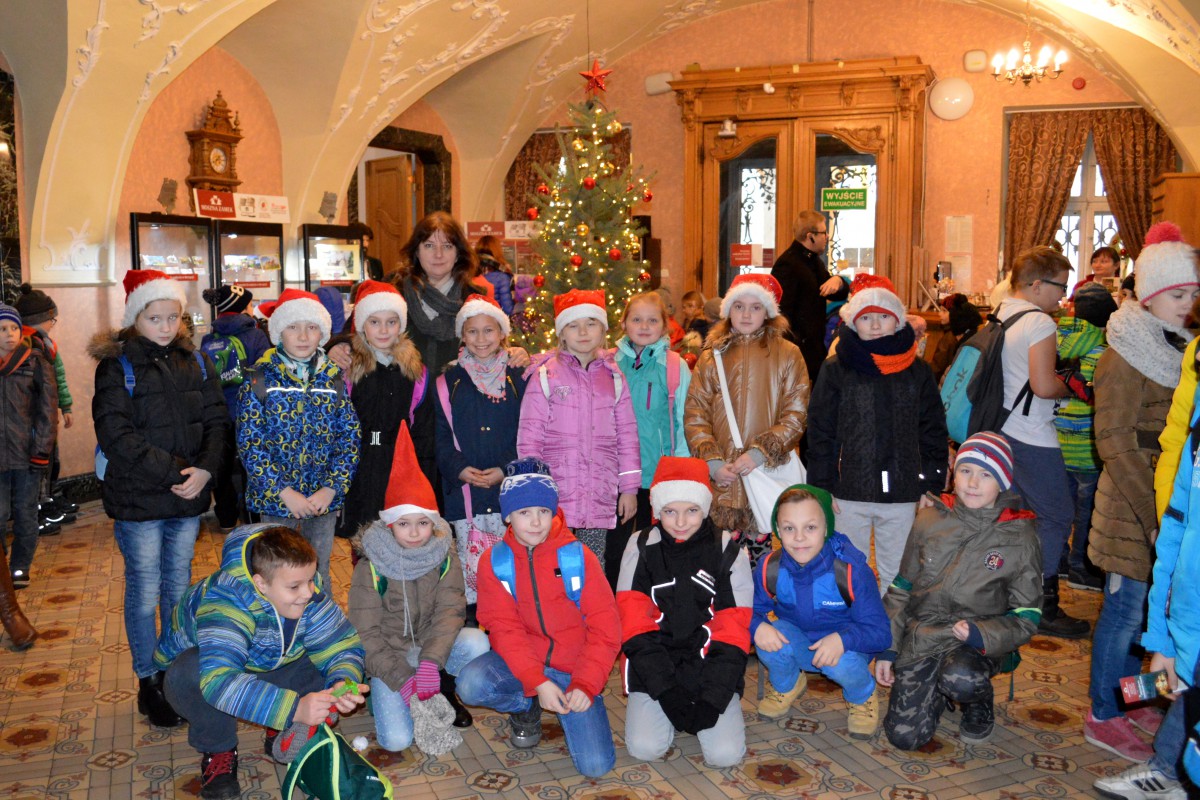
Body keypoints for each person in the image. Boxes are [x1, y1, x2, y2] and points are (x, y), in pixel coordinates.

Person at [89, 270, 228, 729]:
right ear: (136, 318)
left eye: (173, 317)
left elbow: (217, 420)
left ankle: (172, 673)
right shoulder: (117, 366)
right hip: (140, 501)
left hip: (188, 496)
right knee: (145, 590)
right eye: (155, 318)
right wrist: (177, 474)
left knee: (178, 589)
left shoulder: (198, 361)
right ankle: (148, 680)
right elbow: (116, 434)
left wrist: (205, 470)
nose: (166, 327)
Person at [1084, 223, 1198, 763]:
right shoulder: (1124, 353)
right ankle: (1103, 713)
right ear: (1150, 296)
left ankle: (1133, 699)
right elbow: (1115, 443)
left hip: (1167, 506)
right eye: (1178, 295)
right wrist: (1157, 518)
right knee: (1124, 615)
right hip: (1132, 510)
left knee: (1151, 619)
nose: (1188, 305)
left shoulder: (1179, 349)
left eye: (1194, 294)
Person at [155, 525, 367, 800]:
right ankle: (219, 749)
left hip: (269, 664)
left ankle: (276, 725)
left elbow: (340, 644)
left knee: (321, 662)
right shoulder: (225, 601)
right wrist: (293, 709)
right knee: (191, 674)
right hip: (208, 674)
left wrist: (342, 681)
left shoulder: (305, 589)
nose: (308, 593)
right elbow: (220, 681)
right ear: (261, 583)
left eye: (310, 580)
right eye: (295, 586)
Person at [455, 458, 621, 778]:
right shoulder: (495, 561)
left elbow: (606, 627)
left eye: (543, 511)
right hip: (524, 663)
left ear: (554, 511)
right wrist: (537, 682)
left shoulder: (577, 556)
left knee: (596, 766)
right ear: (508, 516)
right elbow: (504, 629)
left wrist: (585, 684)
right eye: (524, 512)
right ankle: (527, 704)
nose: (535, 522)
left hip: (574, 668)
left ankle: (559, 697)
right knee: (471, 683)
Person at [875, 433, 1042, 750]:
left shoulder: (1020, 536)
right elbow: (901, 588)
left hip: (976, 644)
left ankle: (979, 702)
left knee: (961, 677)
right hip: (924, 636)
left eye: (986, 474)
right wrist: (888, 649)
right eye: (966, 470)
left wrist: (981, 634)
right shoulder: (929, 519)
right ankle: (937, 691)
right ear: (954, 473)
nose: (973, 483)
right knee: (905, 737)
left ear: (1003, 481)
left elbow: (1027, 616)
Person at [347, 431, 490, 750]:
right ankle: (391, 691)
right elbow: (365, 634)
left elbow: (450, 613)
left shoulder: (444, 556)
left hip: (429, 648)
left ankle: (439, 687)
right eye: (404, 523)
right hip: (389, 655)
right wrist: (402, 677)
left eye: (423, 523)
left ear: (434, 524)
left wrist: (428, 663)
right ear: (389, 525)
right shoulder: (370, 566)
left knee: (476, 641)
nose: (414, 533)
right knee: (397, 741)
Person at [806, 275, 948, 594]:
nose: (874, 325)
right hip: (847, 489)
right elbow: (820, 430)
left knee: (896, 570)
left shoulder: (917, 371)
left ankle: (891, 623)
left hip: (902, 489)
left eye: (883, 316)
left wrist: (932, 483)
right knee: (847, 568)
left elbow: (933, 431)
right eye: (865, 317)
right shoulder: (836, 369)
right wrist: (822, 485)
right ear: (852, 322)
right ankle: (851, 621)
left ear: (897, 321)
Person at [616, 457, 752, 767]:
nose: (680, 522)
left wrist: (712, 700)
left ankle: (714, 706)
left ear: (704, 508)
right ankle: (662, 708)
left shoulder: (727, 551)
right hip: (656, 666)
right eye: (669, 511)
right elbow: (634, 627)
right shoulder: (639, 546)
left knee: (725, 755)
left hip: (708, 666)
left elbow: (733, 633)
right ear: (657, 510)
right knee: (645, 748)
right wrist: (666, 692)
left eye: (691, 510)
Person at [1102, 386, 1200, 799]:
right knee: (1125, 621)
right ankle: (1111, 716)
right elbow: (1177, 538)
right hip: (1186, 621)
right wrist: (1165, 642)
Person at [236, 288, 360, 591]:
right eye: (293, 327)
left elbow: (349, 437)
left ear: (323, 333)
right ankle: (279, 624)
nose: (303, 336)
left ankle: (319, 622)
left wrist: (332, 487)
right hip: (276, 501)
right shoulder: (259, 379)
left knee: (319, 571)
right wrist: (284, 492)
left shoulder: (333, 378)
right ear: (279, 332)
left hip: (322, 500)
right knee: (277, 573)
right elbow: (251, 444)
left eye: (312, 327)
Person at [684, 273, 810, 565]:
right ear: (728, 310)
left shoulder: (789, 355)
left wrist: (759, 453)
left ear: (768, 312)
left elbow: (795, 413)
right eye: (739, 306)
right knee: (717, 563)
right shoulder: (711, 356)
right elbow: (695, 413)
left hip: (763, 476)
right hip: (722, 481)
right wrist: (712, 461)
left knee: (759, 564)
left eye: (755, 307)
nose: (746, 314)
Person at [517, 288, 640, 580]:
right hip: (555, 495)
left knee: (592, 568)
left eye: (591, 324)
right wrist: (534, 487)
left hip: (600, 493)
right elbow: (530, 436)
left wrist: (629, 488)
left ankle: (590, 608)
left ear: (603, 330)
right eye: (573, 325)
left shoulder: (614, 377)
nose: (583, 332)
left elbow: (627, 435)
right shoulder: (546, 375)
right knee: (553, 567)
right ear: (562, 333)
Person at [993, 246, 1085, 638]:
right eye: (1060, 287)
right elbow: (1043, 385)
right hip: (1031, 433)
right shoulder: (1040, 323)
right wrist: (1074, 386)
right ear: (1035, 285)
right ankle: (1040, 604)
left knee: (1014, 517)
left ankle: (1005, 595)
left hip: (999, 429)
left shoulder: (1000, 313)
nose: (1063, 296)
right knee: (1057, 515)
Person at [752, 484, 890, 737]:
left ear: (827, 528)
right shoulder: (770, 567)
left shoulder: (851, 570)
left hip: (847, 649)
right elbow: (747, 610)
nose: (799, 538)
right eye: (789, 528)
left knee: (841, 664)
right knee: (767, 636)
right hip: (801, 641)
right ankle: (788, 684)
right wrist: (756, 625)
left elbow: (880, 633)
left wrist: (842, 640)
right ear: (778, 531)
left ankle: (862, 696)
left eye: (810, 527)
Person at [434, 295, 526, 613]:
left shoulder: (519, 378)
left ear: (502, 333)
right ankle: (474, 627)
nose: (481, 338)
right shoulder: (448, 383)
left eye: (489, 330)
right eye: (472, 331)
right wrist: (459, 468)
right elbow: (440, 437)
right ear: (462, 335)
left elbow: (528, 432)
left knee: (513, 570)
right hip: (466, 495)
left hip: (509, 492)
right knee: (471, 575)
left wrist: (505, 467)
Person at [337, 280, 434, 539]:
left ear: (401, 325)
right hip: (358, 463)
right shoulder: (347, 368)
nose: (383, 330)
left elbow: (423, 429)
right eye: (374, 322)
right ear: (362, 325)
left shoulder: (416, 371)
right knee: (361, 534)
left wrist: (422, 474)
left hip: (399, 462)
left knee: (398, 534)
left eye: (391, 322)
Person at [1053, 282, 1117, 592]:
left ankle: (1059, 561)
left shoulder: (1056, 338)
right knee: (1086, 510)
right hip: (1088, 445)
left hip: (1056, 436)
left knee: (1060, 507)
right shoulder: (1104, 348)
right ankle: (1080, 566)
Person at [613, 291, 692, 532]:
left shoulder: (674, 366)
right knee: (618, 542)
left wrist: (681, 467)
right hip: (617, 473)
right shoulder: (610, 363)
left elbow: (684, 419)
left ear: (665, 326)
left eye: (652, 320)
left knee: (652, 539)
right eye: (637, 319)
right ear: (624, 323)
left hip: (659, 473)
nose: (644, 326)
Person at [200, 284, 271, 531]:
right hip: (249, 410)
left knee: (221, 463)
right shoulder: (255, 335)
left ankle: (226, 517)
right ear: (242, 307)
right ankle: (253, 517)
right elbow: (264, 372)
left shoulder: (209, 338)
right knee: (251, 463)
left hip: (218, 411)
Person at [395, 212, 492, 377]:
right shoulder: (395, 293)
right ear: (417, 251)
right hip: (405, 392)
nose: (438, 254)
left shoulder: (475, 300)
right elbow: (361, 331)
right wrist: (345, 346)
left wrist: (517, 352)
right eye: (429, 245)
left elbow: (495, 344)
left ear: (458, 254)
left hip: (456, 391)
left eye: (447, 246)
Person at [0, 301, 56, 587]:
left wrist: (42, 450)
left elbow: (47, 409)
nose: (9, 334)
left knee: (25, 513)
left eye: (14, 328)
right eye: (2, 329)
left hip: (27, 454)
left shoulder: (35, 361)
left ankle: (20, 567)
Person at [13, 283, 75, 532]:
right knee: (37, 465)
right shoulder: (28, 347)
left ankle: (47, 502)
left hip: (43, 417)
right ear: (41, 319)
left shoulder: (45, 344)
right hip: (33, 419)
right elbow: (54, 380)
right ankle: (37, 513)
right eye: (52, 319)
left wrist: (64, 405)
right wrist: (64, 405)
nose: (53, 324)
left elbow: (56, 380)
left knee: (49, 462)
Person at [771, 210, 850, 384]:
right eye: (823, 233)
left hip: (813, 348)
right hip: (798, 352)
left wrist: (839, 281)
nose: (827, 237)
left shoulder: (814, 261)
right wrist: (794, 347)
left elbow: (838, 293)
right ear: (810, 236)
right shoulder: (788, 264)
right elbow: (782, 313)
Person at [928, 293, 982, 381]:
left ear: (955, 313)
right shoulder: (968, 333)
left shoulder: (950, 337)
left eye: (944, 311)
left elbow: (937, 367)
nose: (939, 314)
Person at [475, 235, 515, 315]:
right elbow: (507, 309)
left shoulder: (468, 274)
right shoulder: (502, 277)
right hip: (494, 320)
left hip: (472, 320)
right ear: (497, 252)